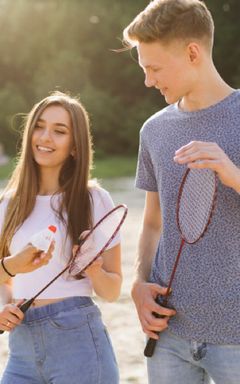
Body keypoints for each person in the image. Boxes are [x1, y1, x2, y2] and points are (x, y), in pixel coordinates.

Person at [123, 1, 240, 383]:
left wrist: (232, 174)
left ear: (193, 53)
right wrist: (139, 284)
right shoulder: (153, 130)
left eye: (153, 68)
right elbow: (153, 223)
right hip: (168, 336)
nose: (147, 81)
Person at [0, 91, 122, 384]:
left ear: (75, 146)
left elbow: (113, 290)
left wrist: (93, 269)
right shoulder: (8, 204)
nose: (45, 137)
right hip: (22, 347)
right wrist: (3, 305)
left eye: (59, 131)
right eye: (40, 126)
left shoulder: (94, 200)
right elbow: (4, 280)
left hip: (78, 342)